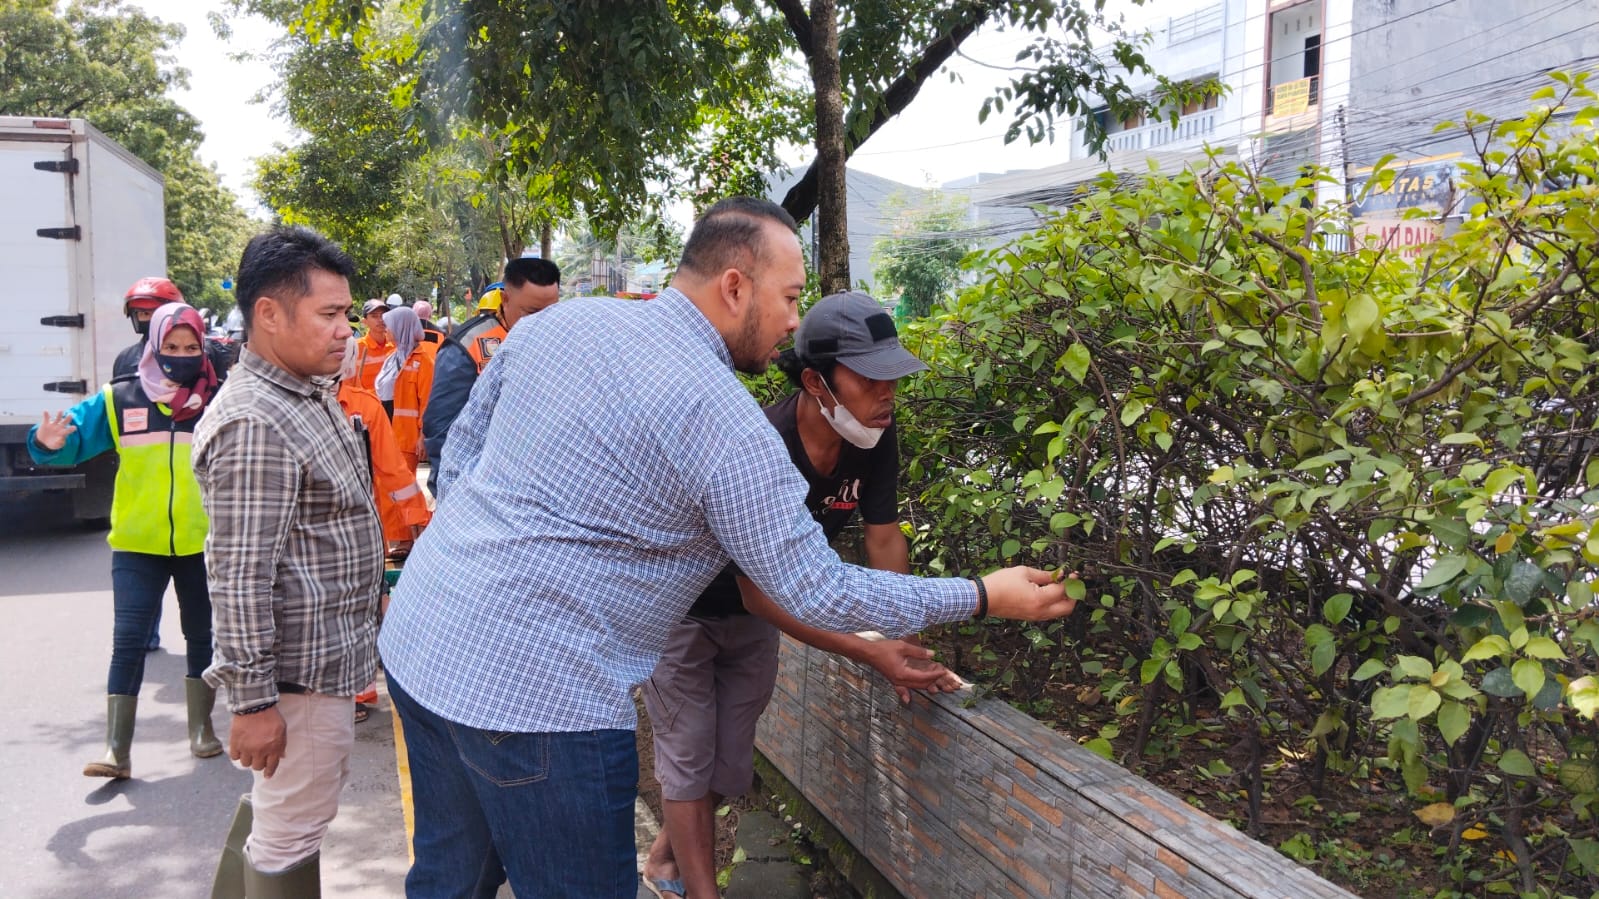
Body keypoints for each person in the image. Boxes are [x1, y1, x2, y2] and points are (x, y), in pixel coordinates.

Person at [377, 196, 1075, 897]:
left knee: (448, 878)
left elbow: (464, 450)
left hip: (421, 643)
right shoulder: (725, 421)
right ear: (735, 285)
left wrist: (479, 562)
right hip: (538, 701)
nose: (795, 321)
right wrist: (983, 593)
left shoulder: (561, 324)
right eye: (791, 296)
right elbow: (817, 587)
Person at [640, 289, 963, 899]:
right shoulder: (764, 444)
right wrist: (868, 651)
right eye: (871, 380)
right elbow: (763, 592)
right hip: (687, 609)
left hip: (756, 619)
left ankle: (663, 860)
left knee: (728, 761)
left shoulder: (873, 434)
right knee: (687, 758)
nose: (887, 395)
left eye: (894, 379)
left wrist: (906, 645)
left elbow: (885, 539)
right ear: (817, 383)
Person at [194, 226, 385, 897]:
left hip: (321, 670)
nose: (345, 331)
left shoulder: (303, 393)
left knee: (279, 820)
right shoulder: (257, 421)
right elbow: (239, 576)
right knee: (288, 836)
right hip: (296, 682)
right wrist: (252, 702)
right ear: (268, 314)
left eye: (347, 314)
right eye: (329, 315)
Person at [30, 302, 223, 780]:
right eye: (171, 346)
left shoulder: (219, 399)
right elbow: (71, 438)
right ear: (153, 346)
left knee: (201, 636)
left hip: (203, 543)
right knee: (128, 641)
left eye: (190, 347)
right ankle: (117, 750)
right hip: (137, 544)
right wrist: (46, 442)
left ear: (203, 349)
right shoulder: (121, 398)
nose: (180, 355)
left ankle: (201, 730)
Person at [112, 276, 232, 651]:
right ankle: (149, 631)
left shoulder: (208, 358)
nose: (178, 355)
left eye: (153, 312)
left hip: (198, 516)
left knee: (200, 625)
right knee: (135, 618)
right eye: (141, 313)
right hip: (145, 510)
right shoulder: (126, 361)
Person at [420, 257, 560, 497]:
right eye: (532, 312)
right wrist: (454, 493)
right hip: (481, 488)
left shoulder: (559, 342)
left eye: (552, 312)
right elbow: (441, 427)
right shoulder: (468, 345)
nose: (543, 321)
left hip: (538, 487)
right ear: (505, 299)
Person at [336, 336, 431, 559]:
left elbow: (393, 471)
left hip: (359, 528)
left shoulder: (364, 407)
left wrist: (418, 516)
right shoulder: (362, 404)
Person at [374, 304, 435, 473]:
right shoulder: (391, 358)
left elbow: (427, 404)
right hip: (385, 432)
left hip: (406, 438)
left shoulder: (424, 363)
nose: (385, 330)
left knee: (403, 487)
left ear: (402, 328)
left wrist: (423, 437)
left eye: (389, 326)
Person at [352, 298, 393, 391]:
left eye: (383, 315)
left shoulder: (396, 346)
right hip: (365, 402)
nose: (380, 320)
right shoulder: (357, 348)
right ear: (364, 321)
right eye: (374, 316)